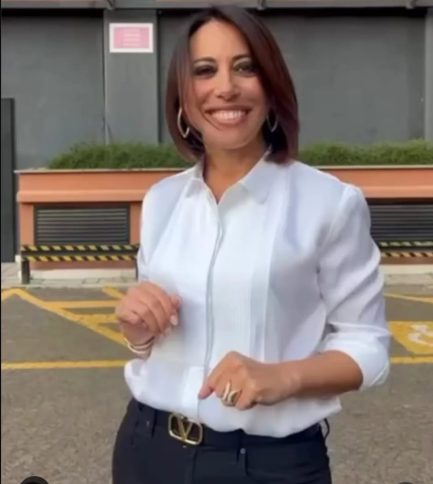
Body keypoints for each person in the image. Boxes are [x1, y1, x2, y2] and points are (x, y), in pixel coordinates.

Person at [112, 5, 390, 484]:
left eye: (245, 68)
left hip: (265, 463)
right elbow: (153, 341)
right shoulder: (162, 200)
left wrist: (283, 377)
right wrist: (137, 330)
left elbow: (368, 346)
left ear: (271, 86)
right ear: (182, 98)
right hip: (146, 448)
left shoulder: (329, 203)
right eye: (205, 71)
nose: (225, 87)